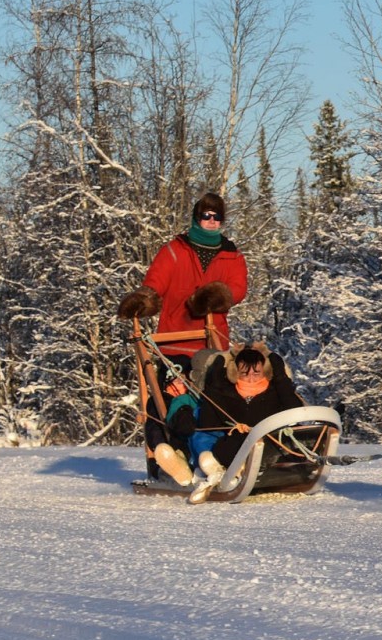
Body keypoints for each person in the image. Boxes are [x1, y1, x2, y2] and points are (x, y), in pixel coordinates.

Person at [117, 192, 249, 483]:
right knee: (169, 398)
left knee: (215, 401)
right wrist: (143, 301)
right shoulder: (175, 251)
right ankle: (173, 455)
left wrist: (218, 295)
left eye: (217, 217)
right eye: (206, 216)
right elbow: (155, 283)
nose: (212, 222)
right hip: (172, 344)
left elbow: (238, 288)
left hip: (213, 343)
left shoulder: (232, 255)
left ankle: (217, 453)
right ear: (196, 217)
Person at [188, 343, 305, 504]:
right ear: (235, 373)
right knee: (219, 448)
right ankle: (222, 474)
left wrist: (274, 365)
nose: (251, 378)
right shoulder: (227, 392)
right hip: (236, 446)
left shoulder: (276, 391)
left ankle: (234, 472)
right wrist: (225, 359)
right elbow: (208, 420)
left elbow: (295, 411)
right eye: (244, 373)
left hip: (272, 444)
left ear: (265, 371)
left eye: (256, 373)